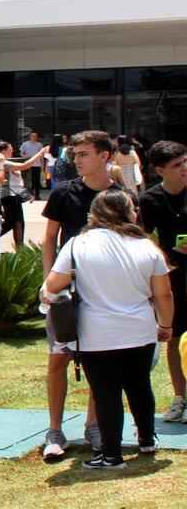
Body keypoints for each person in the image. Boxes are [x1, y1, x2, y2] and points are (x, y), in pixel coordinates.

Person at [44, 189, 173, 468]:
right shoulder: (147, 246)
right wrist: (165, 324)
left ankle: (111, 455)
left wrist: (47, 295)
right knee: (140, 387)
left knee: (106, 394)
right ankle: (147, 440)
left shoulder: (78, 245)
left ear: (95, 214)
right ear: (129, 213)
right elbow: (164, 295)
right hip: (141, 329)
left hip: (97, 334)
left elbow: (52, 285)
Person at [41, 130, 115, 462]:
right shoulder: (63, 194)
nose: (77, 160)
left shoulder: (120, 197)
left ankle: (93, 426)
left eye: (84, 154)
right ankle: (54, 431)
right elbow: (49, 240)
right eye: (75, 155)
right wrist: (48, 285)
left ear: (104, 156)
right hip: (65, 294)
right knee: (58, 358)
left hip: (104, 294)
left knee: (100, 362)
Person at [138, 140, 187, 423]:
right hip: (172, 277)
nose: (184, 169)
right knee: (174, 338)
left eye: (185, 162)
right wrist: (161, 258)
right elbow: (142, 237)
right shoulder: (149, 200)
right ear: (159, 170)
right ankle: (180, 397)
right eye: (177, 165)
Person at [0, 141, 48, 250]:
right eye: (10, 149)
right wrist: (40, 153)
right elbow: (25, 165)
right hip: (9, 197)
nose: (12, 150)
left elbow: (17, 183)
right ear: (3, 151)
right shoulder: (4, 164)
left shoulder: (5, 163)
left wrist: (27, 194)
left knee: (17, 223)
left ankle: (19, 248)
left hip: (14, 197)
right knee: (11, 224)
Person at [20, 131, 45, 199]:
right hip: (28, 165)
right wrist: (26, 158)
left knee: (36, 181)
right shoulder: (25, 144)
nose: (34, 137)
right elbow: (22, 153)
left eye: (35, 136)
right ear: (30, 136)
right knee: (29, 181)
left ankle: (37, 195)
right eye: (32, 136)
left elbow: (42, 155)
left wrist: (42, 165)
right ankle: (30, 195)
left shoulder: (39, 144)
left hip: (37, 165)